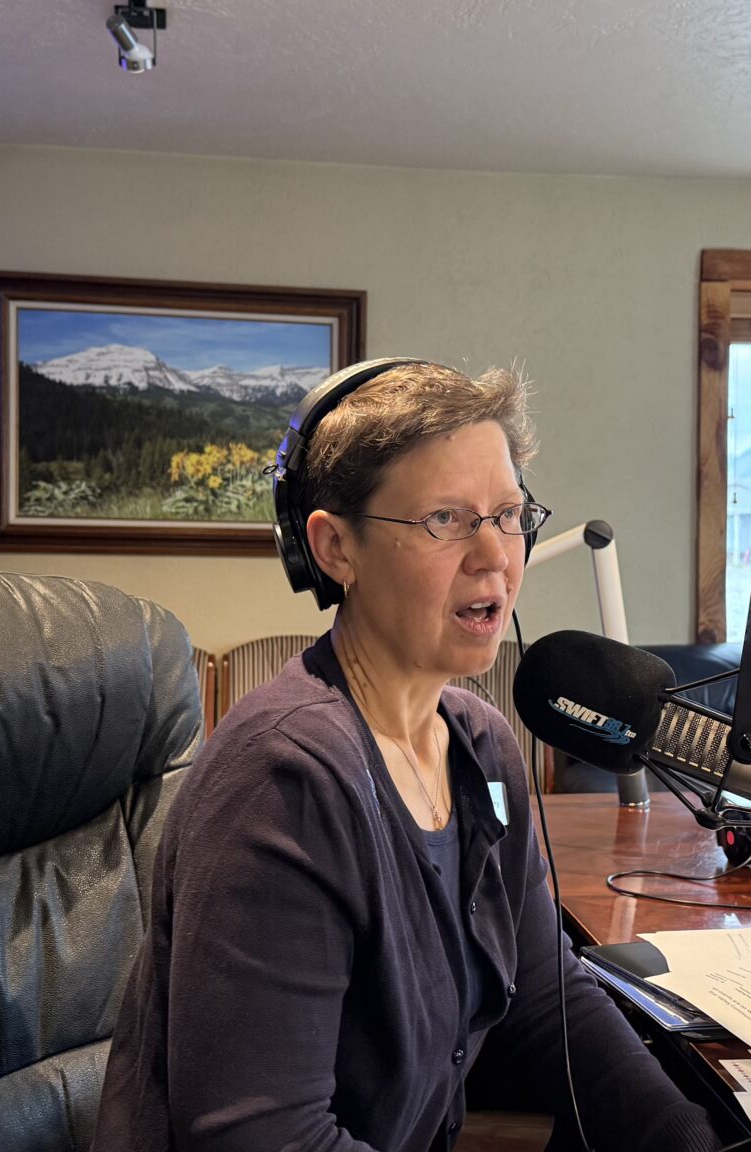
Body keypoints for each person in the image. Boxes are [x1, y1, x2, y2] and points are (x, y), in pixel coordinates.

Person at [94, 360, 718, 1152]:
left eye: (509, 515)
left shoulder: (483, 746)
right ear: (334, 548)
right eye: (444, 520)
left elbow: (542, 998)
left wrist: (686, 1136)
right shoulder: (283, 784)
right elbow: (265, 1136)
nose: (495, 556)